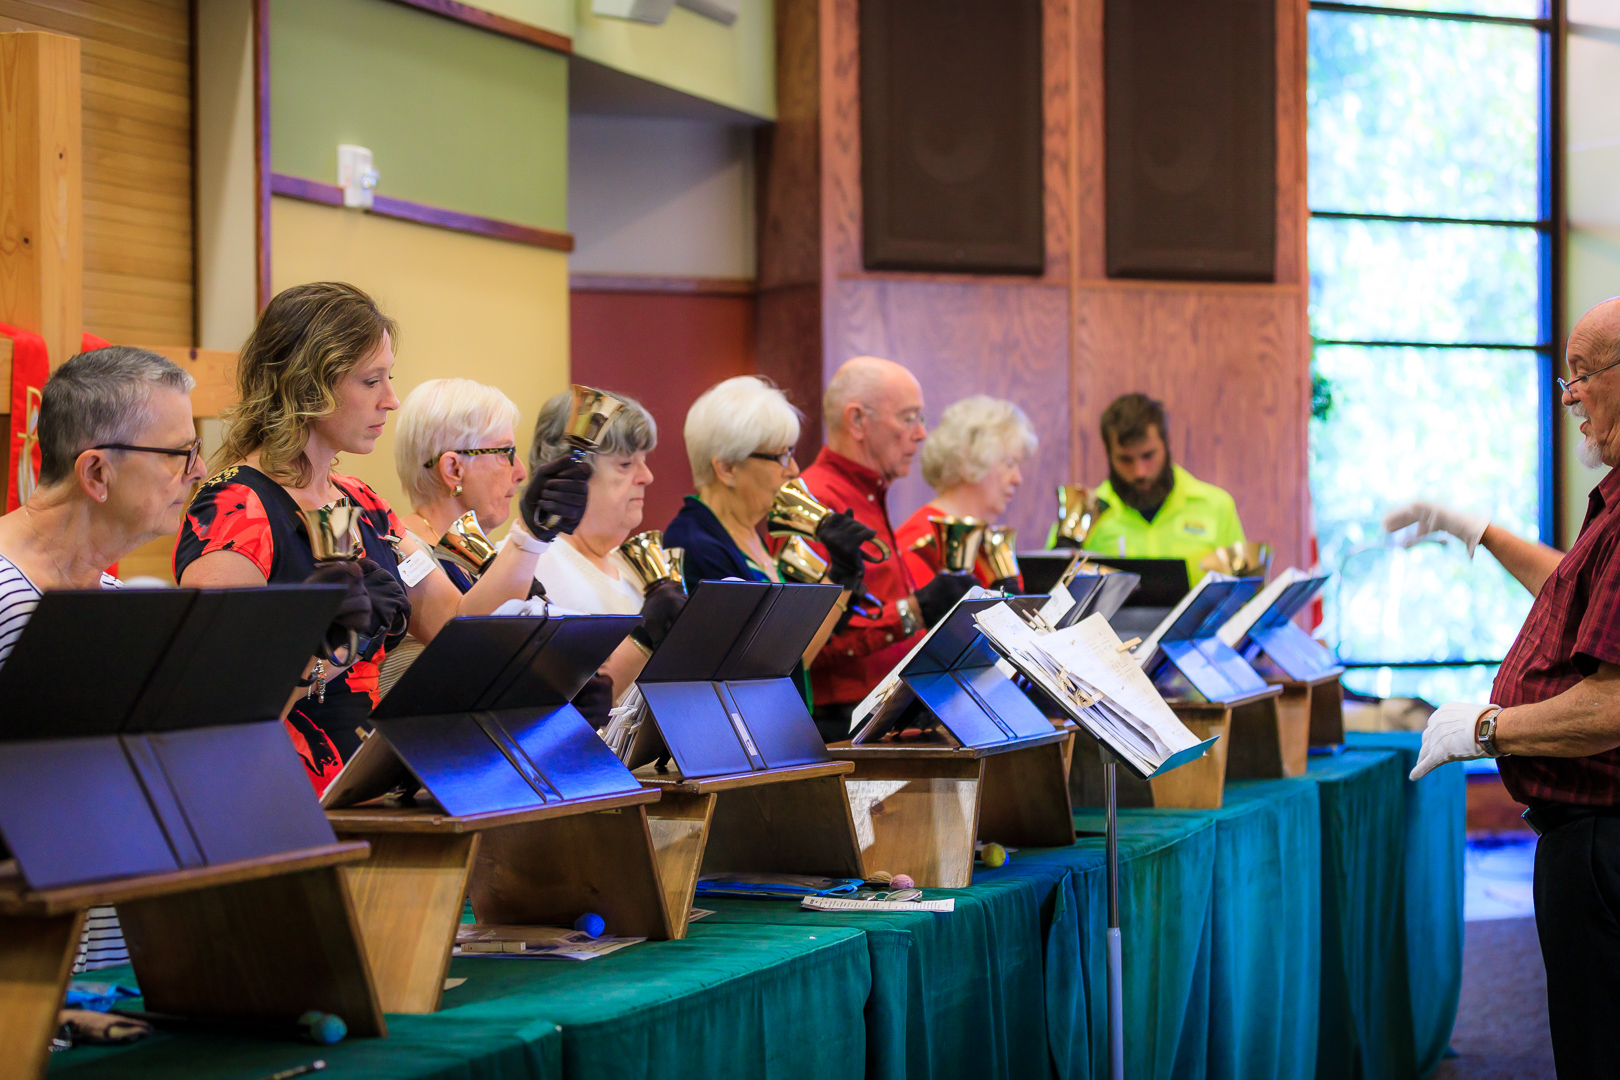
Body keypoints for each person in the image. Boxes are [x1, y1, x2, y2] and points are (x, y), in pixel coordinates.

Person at [176, 282, 586, 791]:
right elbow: (219, 707)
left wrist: (532, 533)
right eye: (371, 381)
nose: (391, 400)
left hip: (366, 785)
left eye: (387, 379)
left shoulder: (359, 502)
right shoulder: (233, 507)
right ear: (308, 386)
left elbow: (456, 626)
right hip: (276, 795)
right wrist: (323, 643)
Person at [1396, 296, 1620, 1075]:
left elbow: (1613, 707)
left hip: (1604, 843)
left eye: (1582, 376)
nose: (1569, 397)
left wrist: (1486, 730)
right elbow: (1579, 587)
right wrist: (1477, 531)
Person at [797, 356, 978, 742]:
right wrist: (914, 612)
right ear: (857, 421)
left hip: (884, 716)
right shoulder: (816, 500)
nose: (922, 433)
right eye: (909, 417)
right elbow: (803, 647)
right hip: (844, 730)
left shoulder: (868, 493)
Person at [0, 347, 206, 666]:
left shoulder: (115, 603)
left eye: (196, 449)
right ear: (96, 473)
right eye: (178, 454)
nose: (199, 470)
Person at [664, 376, 872, 683]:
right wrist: (838, 581)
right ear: (727, 468)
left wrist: (841, 577)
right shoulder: (696, 545)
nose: (794, 470)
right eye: (781, 456)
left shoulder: (746, 534)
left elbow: (794, 658)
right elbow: (758, 672)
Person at [529, 389, 685, 703]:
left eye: (644, 460)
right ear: (571, 473)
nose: (648, 476)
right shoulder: (539, 563)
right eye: (626, 463)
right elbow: (574, 703)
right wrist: (648, 633)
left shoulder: (630, 566)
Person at [1077, 393, 1245, 585]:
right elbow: (1055, 597)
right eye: (1125, 459)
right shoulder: (1083, 512)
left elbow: (1241, 596)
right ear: (1108, 453)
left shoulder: (1217, 506)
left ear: (1167, 442)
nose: (1139, 472)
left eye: (1148, 455)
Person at [392, 377, 529, 591]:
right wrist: (531, 539)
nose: (521, 473)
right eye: (504, 453)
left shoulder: (472, 546)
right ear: (453, 469)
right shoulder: (403, 555)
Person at [897, 395, 1037, 591]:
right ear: (971, 462)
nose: (1017, 479)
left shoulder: (988, 544)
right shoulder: (918, 543)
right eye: (1009, 464)